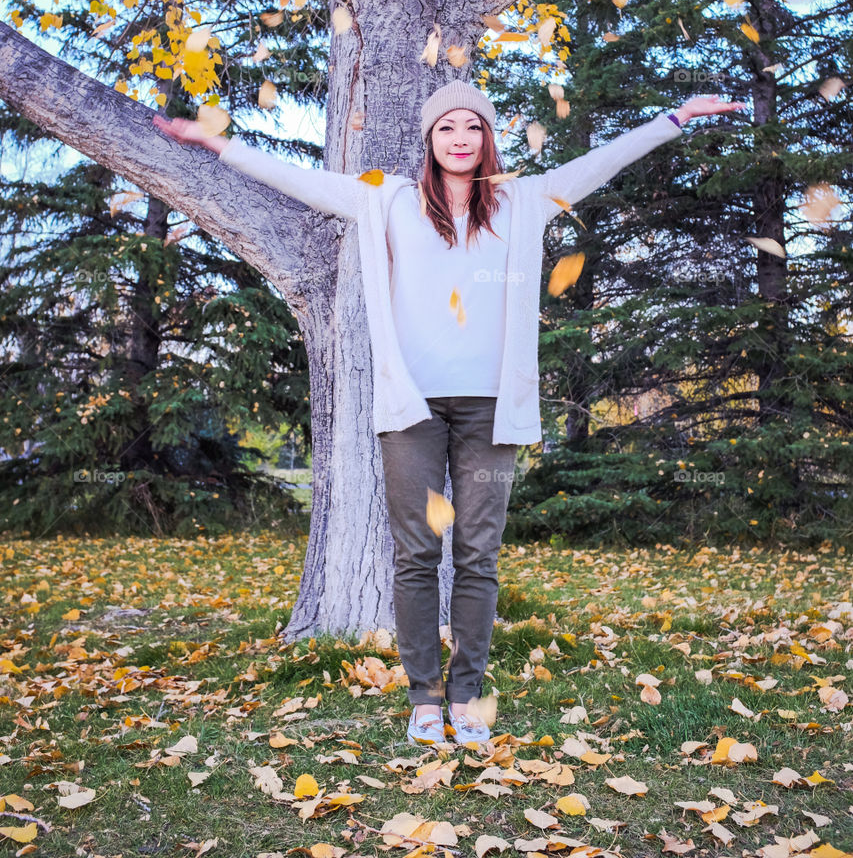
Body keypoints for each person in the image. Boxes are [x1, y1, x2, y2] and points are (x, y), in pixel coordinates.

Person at [153, 84, 746, 747]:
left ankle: (466, 697)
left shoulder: (524, 201)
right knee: (415, 555)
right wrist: (215, 143)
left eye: (473, 127)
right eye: (447, 128)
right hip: (411, 405)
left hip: (491, 409)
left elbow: (601, 162)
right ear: (429, 139)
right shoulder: (385, 199)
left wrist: (676, 118)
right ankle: (424, 700)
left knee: (477, 555)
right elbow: (296, 179)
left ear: (487, 138)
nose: (460, 138)